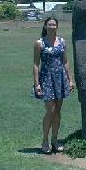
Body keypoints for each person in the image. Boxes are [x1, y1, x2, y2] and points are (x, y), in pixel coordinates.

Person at [33, 17, 75, 154]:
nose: (52, 26)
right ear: (45, 26)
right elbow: (35, 65)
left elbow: (65, 62)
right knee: (50, 111)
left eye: (54, 24)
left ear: (57, 27)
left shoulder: (62, 41)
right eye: (49, 24)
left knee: (57, 111)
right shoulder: (39, 43)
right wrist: (37, 84)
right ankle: (45, 140)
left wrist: (70, 80)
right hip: (46, 79)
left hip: (60, 79)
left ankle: (55, 140)